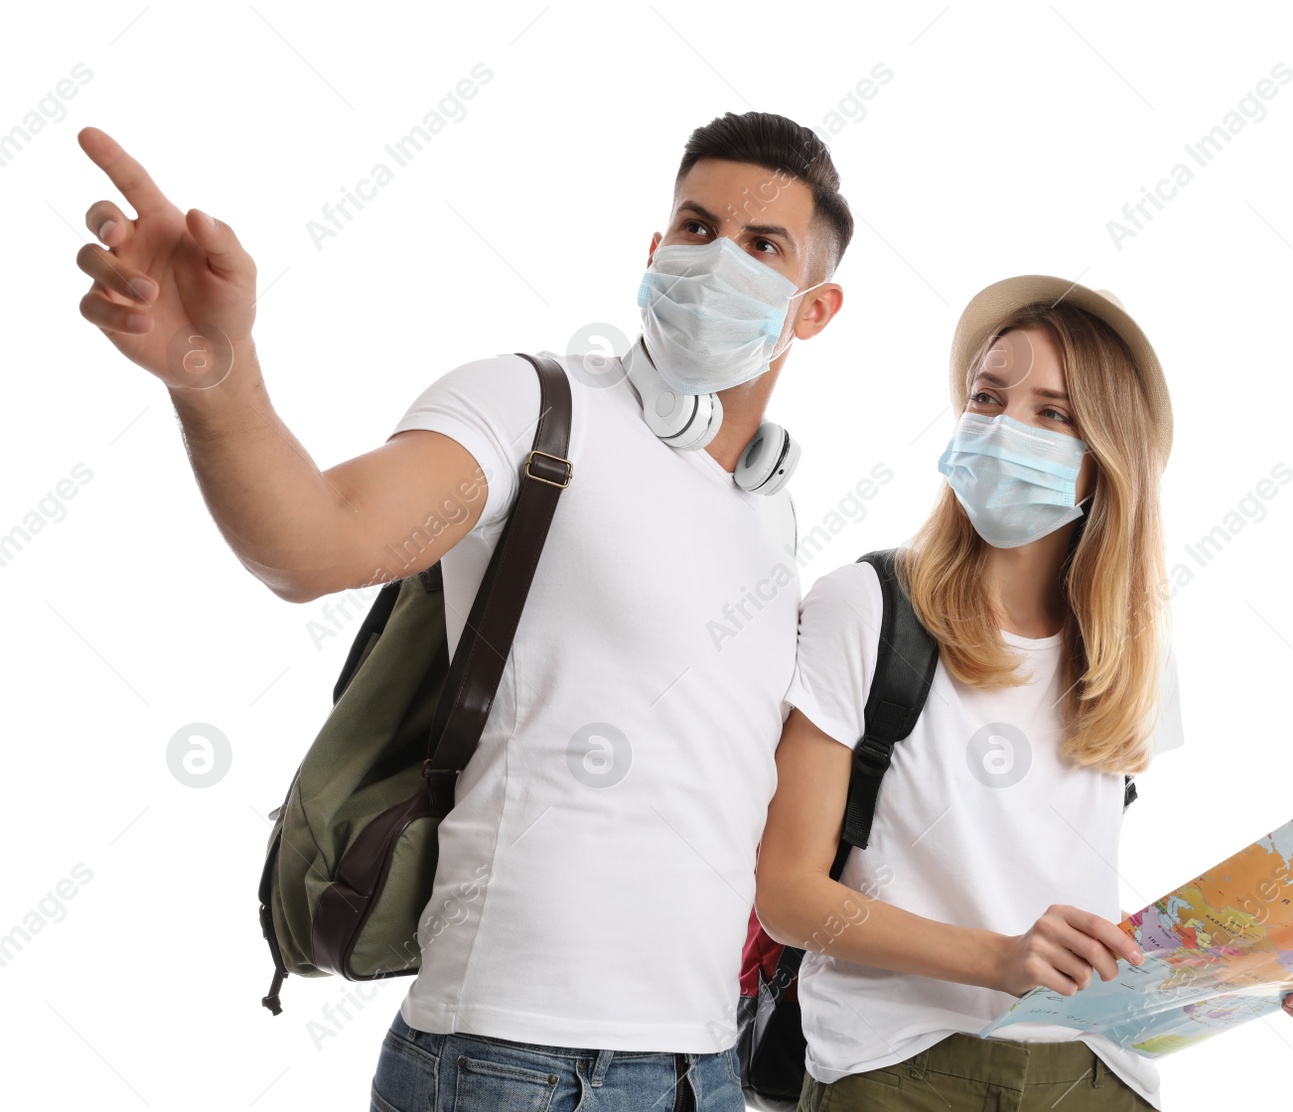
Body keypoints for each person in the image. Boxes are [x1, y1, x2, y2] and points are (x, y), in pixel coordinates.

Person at [74, 110, 851, 1111]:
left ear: (813, 307)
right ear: (655, 251)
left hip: (702, 1067)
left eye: (762, 245)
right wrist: (213, 373)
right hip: (517, 1066)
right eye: (697, 228)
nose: (716, 260)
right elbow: (318, 540)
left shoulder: (766, 514)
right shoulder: (534, 412)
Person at [753, 276, 1293, 1111]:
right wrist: (1000, 961)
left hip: (1096, 1076)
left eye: (1053, 413)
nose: (1006, 428)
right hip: (900, 1072)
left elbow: (1069, 912)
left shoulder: (1129, 650)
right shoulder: (865, 605)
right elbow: (788, 897)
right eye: (988, 397)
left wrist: (1259, 977)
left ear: (1106, 456)